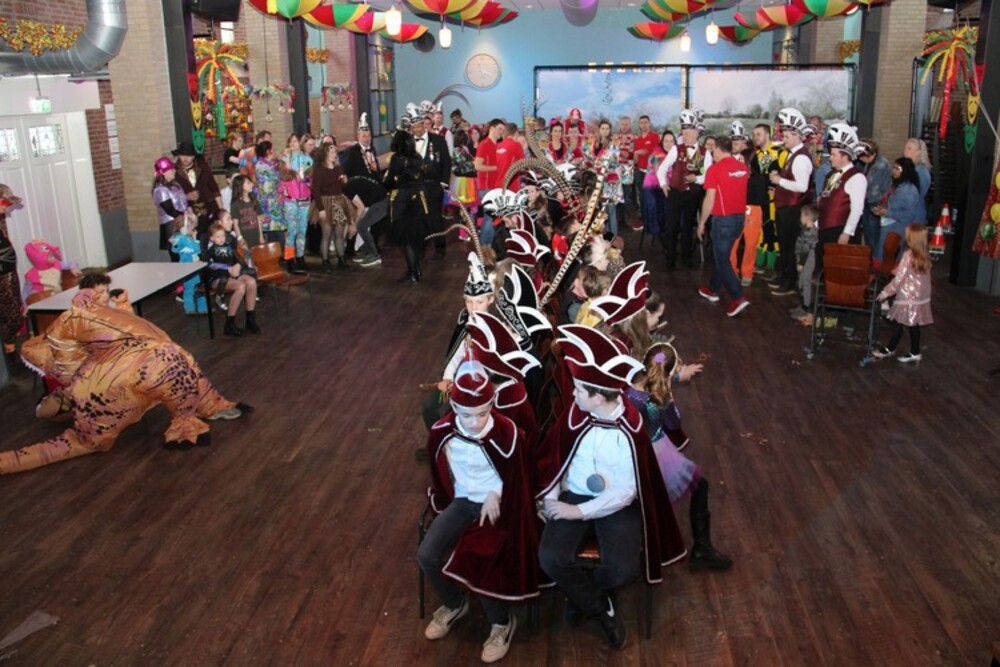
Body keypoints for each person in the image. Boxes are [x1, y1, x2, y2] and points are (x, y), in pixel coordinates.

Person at [537, 325, 686, 650]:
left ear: (599, 396)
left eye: (579, 390)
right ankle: (600, 608)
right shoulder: (577, 414)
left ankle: (583, 597)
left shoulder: (630, 427)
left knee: (623, 570)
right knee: (550, 557)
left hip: (615, 502)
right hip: (573, 492)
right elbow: (553, 459)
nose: (572, 395)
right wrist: (551, 497)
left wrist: (577, 511)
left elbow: (625, 492)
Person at [418, 361, 540, 664]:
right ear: (454, 408)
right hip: (462, 502)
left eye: (483, 413)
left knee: (479, 559)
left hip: (499, 506)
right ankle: (454, 602)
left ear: (492, 404)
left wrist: (495, 494)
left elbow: (518, 476)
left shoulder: (506, 432)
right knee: (427, 554)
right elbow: (440, 470)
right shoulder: (443, 432)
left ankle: (501, 623)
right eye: (466, 414)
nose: (474, 422)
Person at [626, 342, 732, 570]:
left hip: (630, 453)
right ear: (669, 372)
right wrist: (670, 394)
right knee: (700, 486)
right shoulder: (660, 399)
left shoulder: (629, 389)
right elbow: (674, 423)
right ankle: (701, 549)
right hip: (654, 456)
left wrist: (670, 379)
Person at [696, 136, 750, 317]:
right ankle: (712, 289)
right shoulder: (742, 168)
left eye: (713, 151)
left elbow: (709, 199)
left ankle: (738, 296)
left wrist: (701, 223)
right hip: (739, 219)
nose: (712, 154)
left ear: (718, 150)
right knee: (723, 256)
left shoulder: (715, 169)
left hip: (723, 220)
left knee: (721, 260)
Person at [657, 110, 712, 269]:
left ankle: (687, 258)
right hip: (675, 193)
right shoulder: (676, 149)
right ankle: (670, 259)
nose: (685, 135)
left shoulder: (705, 153)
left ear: (696, 133)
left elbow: (708, 176)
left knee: (688, 227)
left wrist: (697, 179)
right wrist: (663, 184)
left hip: (692, 195)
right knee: (671, 227)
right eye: (684, 132)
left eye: (688, 132)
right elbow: (662, 168)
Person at [768, 108, 814, 297]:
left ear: (796, 135)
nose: (783, 139)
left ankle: (789, 283)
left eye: (786, 136)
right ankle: (784, 278)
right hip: (787, 207)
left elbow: (802, 186)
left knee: (789, 247)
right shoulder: (793, 154)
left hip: (793, 209)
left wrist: (779, 181)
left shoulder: (801, 157)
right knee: (785, 246)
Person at [812, 123, 866, 274]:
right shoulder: (831, 174)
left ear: (845, 156)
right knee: (822, 268)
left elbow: (857, 209)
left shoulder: (857, 177)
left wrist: (847, 233)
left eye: (834, 155)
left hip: (839, 230)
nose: (830, 158)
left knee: (836, 271)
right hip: (826, 229)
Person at [874, 224, 933, 363]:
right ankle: (913, 350)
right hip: (919, 296)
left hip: (907, 295)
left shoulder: (908, 255)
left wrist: (884, 293)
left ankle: (893, 349)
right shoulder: (924, 255)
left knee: (898, 323)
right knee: (913, 324)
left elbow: (899, 280)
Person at [385, 128, 429, 284]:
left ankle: (413, 274)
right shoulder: (417, 157)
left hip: (403, 201)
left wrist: (387, 185)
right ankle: (416, 269)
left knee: (407, 240)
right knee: (415, 238)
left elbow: (389, 181)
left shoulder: (397, 159)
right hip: (419, 200)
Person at [205, 222, 259, 337]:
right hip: (218, 277)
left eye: (223, 236)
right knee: (240, 286)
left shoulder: (228, 247)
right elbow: (207, 264)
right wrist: (227, 268)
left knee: (251, 282)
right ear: (212, 238)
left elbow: (240, 261)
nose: (221, 239)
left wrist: (238, 266)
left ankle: (250, 319)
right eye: (218, 236)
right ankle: (229, 323)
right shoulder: (211, 250)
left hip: (232, 274)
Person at [414, 106, 452, 260]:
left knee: (436, 218)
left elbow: (447, 162)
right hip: (416, 187)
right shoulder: (408, 142)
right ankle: (420, 248)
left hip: (434, 185)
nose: (418, 128)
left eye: (420, 125)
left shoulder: (438, 140)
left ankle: (440, 249)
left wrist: (444, 183)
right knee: (418, 219)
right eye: (415, 126)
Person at [871, 157, 924, 264]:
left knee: (889, 260)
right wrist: (881, 209)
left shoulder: (909, 190)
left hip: (897, 229)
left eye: (897, 168)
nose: (893, 171)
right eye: (893, 168)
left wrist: (887, 212)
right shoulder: (898, 185)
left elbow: (909, 214)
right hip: (888, 226)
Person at [311, 141, 352, 271]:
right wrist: (321, 209)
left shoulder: (338, 168)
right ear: (325, 153)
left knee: (339, 233)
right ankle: (325, 260)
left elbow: (342, 186)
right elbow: (316, 190)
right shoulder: (319, 170)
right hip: (326, 202)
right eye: (332, 151)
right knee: (326, 234)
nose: (335, 154)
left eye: (335, 151)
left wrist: (345, 181)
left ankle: (341, 258)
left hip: (338, 202)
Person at [172, 141, 223, 239]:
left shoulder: (203, 167)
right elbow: (172, 195)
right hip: (190, 214)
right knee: (195, 240)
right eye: (182, 155)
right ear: (178, 155)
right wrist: (186, 197)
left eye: (188, 155)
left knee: (213, 238)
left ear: (193, 156)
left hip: (209, 209)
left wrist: (220, 211)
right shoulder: (174, 172)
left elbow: (214, 188)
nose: (185, 158)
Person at [152, 156, 196, 263]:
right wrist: (186, 216)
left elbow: (184, 202)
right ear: (164, 173)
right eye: (171, 169)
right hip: (172, 226)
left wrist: (189, 210)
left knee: (187, 254)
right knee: (177, 256)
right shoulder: (160, 190)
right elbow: (170, 210)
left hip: (183, 222)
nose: (174, 171)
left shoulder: (175, 185)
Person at [280, 133, 313, 273]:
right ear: (288, 144)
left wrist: (305, 179)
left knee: (302, 230)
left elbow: (311, 178)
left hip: (304, 198)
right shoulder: (284, 159)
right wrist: (292, 170)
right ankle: (289, 259)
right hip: (290, 199)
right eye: (292, 141)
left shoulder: (308, 159)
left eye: (296, 141)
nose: (294, 144)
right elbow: (283, 176)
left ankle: (300, 257)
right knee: (291, 230)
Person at [857, 139, 893, 255]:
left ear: (870, 154)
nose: (859, 157)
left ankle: (874, 260)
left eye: (861, 155)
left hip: (875, 204)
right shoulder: (870, 163)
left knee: (873, 237)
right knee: (868, 236)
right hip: (870, 203)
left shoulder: (880, 165)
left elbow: (873, 189)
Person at [0, 184, 24, 355]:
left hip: (9, 270)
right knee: (13, 316)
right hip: (1, 275)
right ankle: (6, 345)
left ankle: (10, 349)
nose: (7, 207)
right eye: (5, 203)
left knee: (14, 310)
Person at [788, 204, 820, 323]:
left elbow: (806, 249)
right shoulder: (806, 230)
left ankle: (806, 308)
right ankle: (802, 305)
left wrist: (801, 263)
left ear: (807, 218)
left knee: (805, 282)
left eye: (802, 216)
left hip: (807, 259)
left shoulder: (809, 232)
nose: (800, 218)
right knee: (801, 282)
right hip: (803, 257)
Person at [475, 119, 505, 246]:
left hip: (495, 187)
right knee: (489, 217)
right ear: (492, 128)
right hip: (487, 187)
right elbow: (477, 166)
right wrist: (497, 168)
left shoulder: (498, 145)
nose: (501, 132)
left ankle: (488, 246)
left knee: (492, 217)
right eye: (500, 129)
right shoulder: (484, 144)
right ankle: (484, 246)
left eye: (503, 130)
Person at [252, 140, 285, 251]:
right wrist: (279, 188)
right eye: (272, 149)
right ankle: (278, 256)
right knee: (276, 235)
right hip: (269, 205)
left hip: (274, 204)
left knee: (275, 233)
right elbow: (267, 188)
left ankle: (277, 255)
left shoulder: (270, 164)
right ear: (268, 151)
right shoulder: (262, 167)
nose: (274, 151)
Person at [632, 115, 659, 230]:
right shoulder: (637, 140)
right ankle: (644, 219)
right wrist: (636, 154)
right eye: (641, 122)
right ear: (639, 125)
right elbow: (635, 159)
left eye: (646, 122)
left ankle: (654, 220)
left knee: (653, 197)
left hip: (651, 173)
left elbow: (657, 153)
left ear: (649, 123)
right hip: (640, 172)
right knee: (642, 197)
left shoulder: (654, 137)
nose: (644, 124)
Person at [229, 174, 263, 249]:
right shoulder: (235, 204)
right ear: (241, 186)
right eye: (248, 183)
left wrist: (261, 236)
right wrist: (240, 238)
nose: (252, 184)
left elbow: (259, 220)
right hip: (244, 238)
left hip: (255, 237)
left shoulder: (254, 201)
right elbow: (235, 224)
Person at [903, 137, 932, 203]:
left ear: (918, 153)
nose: (905, 151)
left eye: (909, 148)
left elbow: (912, 197)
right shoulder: (910, 168)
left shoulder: (922, 172)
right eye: (905, 148)